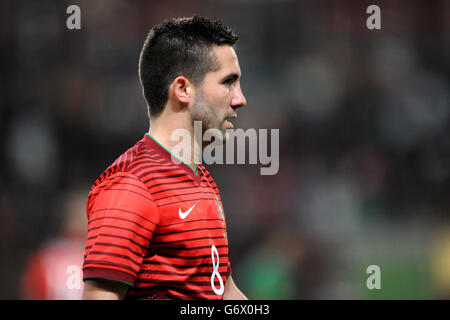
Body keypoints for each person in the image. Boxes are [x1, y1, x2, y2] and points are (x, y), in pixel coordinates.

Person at [82, 16, 247, 300]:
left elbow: (223, 291)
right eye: (228, 82)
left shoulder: (202, 181)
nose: (240, 98)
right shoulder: (131, 184)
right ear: (183, 89)